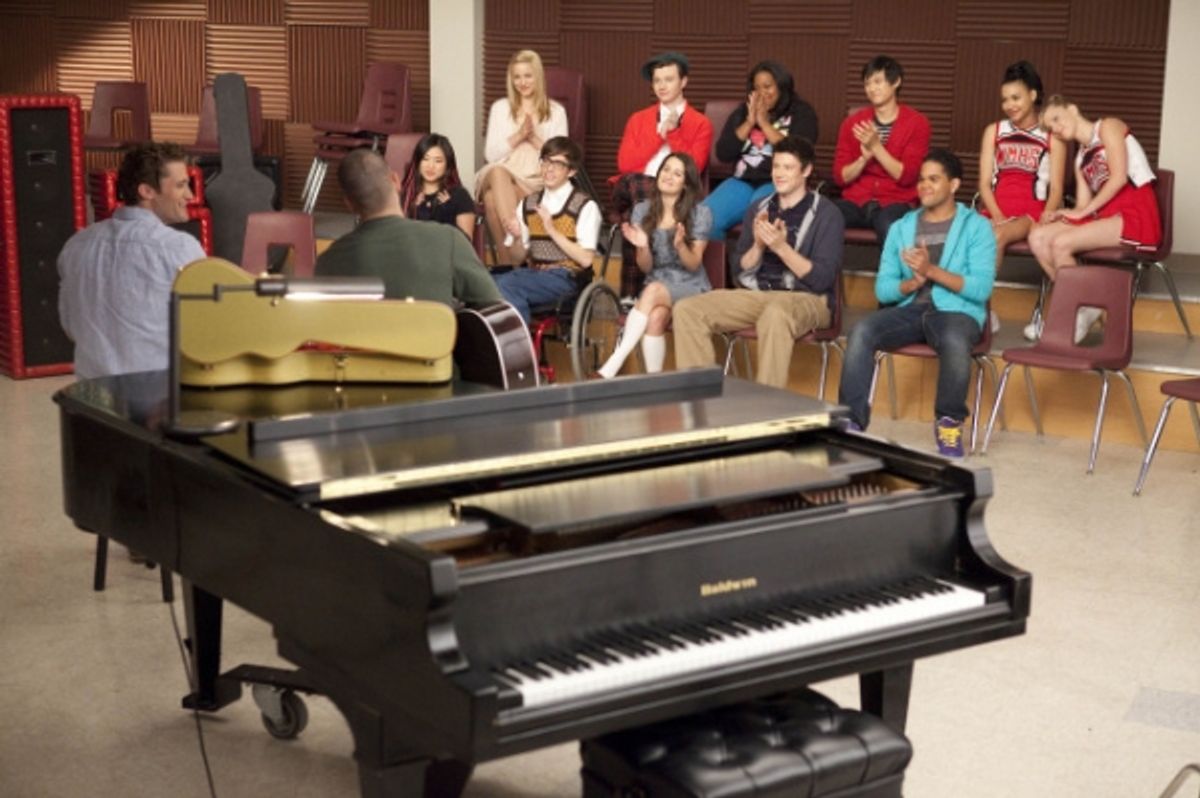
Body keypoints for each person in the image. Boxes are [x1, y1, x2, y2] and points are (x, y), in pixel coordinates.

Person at [837, 149, 996, 459]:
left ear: (953, 185)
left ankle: (949, 421)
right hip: (911, 309)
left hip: (957, 311)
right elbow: (883, 290)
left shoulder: (976, 227)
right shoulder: (901, 228)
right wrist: (911, 284)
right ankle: (851, 420)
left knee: (953, 339)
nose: (924, 185)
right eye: (922, 179)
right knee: (861, 331)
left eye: (933, 179)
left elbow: (980, 288)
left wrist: (931, 271)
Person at [673, 136, 843, 389]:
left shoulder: (827, 214)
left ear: (806, 171)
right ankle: (700, 403)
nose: (779, 174)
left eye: (788, 168)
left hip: (808, 298)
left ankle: (766, 411)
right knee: (687, 309)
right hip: (759, 295)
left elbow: (821, 279)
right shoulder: (758, 208)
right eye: (776, 167)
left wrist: (781, 248)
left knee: (775, 315)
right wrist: (759, 246)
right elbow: (739, 272)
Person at [58, 142, 206, 379]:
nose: (190, 195)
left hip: (91, 395)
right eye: (181, 185)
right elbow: (206, 329)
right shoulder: (179, 248)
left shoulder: (76, 244)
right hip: (158, 397)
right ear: (147, 191)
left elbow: (69, 326)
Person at [1025, 95, 1161, 343]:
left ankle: (1071, 314)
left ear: (1073, 108)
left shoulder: (1107, 126)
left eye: (1056, 119)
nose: (1055, 128)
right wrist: (1062, 214)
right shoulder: (1079, 159)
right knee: (1037, 236)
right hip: (1107, 212)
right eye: (1050, 128)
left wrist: (1080, 214)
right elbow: (1083, 206)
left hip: (1135, 210)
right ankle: (1086, 307)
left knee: (1061, 243)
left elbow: (1119, 178)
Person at [316, 149, 500, 308]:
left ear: (349, 203)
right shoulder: (447, 240)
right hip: (432, 349)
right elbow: (495, 307)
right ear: (395, 180)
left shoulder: (328, 263)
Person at [597, 152, 712, 378]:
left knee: (652, 290)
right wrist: (643, 247)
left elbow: (693, 264)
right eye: (666, 169)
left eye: (677, 173)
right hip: (657, 283)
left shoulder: (701, 213)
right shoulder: (642, 209)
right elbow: (646, 268)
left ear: (686, 183)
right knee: (655, 318)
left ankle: (613, 362)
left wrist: (680, 245)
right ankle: (655, 383)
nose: (668, 176)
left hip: (690, 285)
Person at [611, 52, 713, 298]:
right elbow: (626, 164)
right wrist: (659, 135)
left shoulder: (700, 123)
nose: (662, 86)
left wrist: (674, 134)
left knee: (635, 216)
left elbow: (693, 169)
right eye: (657, 81)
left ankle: (632, 294)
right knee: (640, 185)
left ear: (683, 82)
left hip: (670, 195)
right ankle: (639, 290)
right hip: (632, 186)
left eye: (669, 79)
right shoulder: (639, 119)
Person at [975, 61, 1065, 337]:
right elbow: (983, 185)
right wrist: (998, 216)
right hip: (996, 211)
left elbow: (1057, 190)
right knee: (963, 235)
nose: (1009, 104)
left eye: (1016, 97)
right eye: (1005, 99)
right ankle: (976, 310)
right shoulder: (994, 131)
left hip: (1030, 214)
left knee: (997, 237)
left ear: (1033, 95)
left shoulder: (1052, 135)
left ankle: (980, 311)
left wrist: (1042, 221)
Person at [703, 60, 818, 239]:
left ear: (781, 86)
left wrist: (764, 123)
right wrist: (749, 122)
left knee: (760, 224)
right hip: (741, 182)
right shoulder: (743, 112)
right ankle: (719, 267)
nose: (762, 93)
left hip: (779, 183)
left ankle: (748, 266)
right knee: (702, 220)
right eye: (757, 88)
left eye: (768, 86)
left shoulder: (802, 113)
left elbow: (797, 153)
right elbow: (723, 154)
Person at [476, 50, 568, 268]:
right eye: (516, 77)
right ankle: (518, 241)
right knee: (498, 172)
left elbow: (561, 159)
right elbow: (491, 155)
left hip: (536, 179)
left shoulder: (556, 111)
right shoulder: (500, 108)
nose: (522, 82)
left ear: (538, 77)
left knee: (491, 200)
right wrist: (518, 136)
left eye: (528, 76)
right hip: (503, 172)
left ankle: (509, 267)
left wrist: (534, 138)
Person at [496, 136, 602, 323]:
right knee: (487, 283)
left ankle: (519, 348)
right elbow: (516, 259)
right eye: (545, 161)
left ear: (571, 171)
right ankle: (506, 344)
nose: (549, 168)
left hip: (566, 278)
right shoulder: (528, 204)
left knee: (507, 285)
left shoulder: (585, 206)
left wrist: (552, 230)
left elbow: (585, 259)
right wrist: (519, 237)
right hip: (534, 273)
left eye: (558, 164)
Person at [832, 55, 930, 243]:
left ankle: (894, 273)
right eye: (867, 83)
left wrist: (877, 148)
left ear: (896, 82)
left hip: (896, 201)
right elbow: (840, 177)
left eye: (878, 82)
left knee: (890, 225)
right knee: (825, 217)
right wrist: (863, 159)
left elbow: (908, 176)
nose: (871, 88)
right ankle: (822, 272)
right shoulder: (852, 123)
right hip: (856, 201)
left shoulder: (917, 123)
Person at [399, 133, 475, 240]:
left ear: (448, 165)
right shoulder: (407, 195)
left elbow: (466, 243)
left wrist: (447, 216)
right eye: (426, 159)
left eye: (438, 161)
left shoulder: (459, 195)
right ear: (417, 162)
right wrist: (416, 212)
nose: (431, 166)